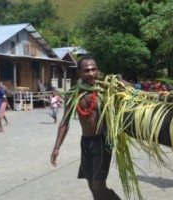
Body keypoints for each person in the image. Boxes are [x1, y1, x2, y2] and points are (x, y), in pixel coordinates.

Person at [50, 56, 121, 200]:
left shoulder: (105, 89)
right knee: (92, 187)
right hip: (86, 142)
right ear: (79, 73)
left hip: (102, 141)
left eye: (94, 69)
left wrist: (119, 82)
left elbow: (129, 90)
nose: (91, 73)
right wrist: (57, 147)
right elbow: (65, 121)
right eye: (86, 70)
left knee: (98, 186)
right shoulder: (73, 93)